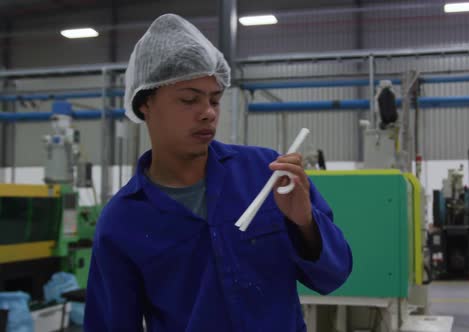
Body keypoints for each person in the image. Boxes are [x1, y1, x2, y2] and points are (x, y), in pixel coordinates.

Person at [84, 13, 352, 332]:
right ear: (145, 104)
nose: (208, 113)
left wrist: (305, 222)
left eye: (215, 99)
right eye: (189, 100)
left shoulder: (265, 175)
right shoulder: (122, 222)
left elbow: (333, 275)